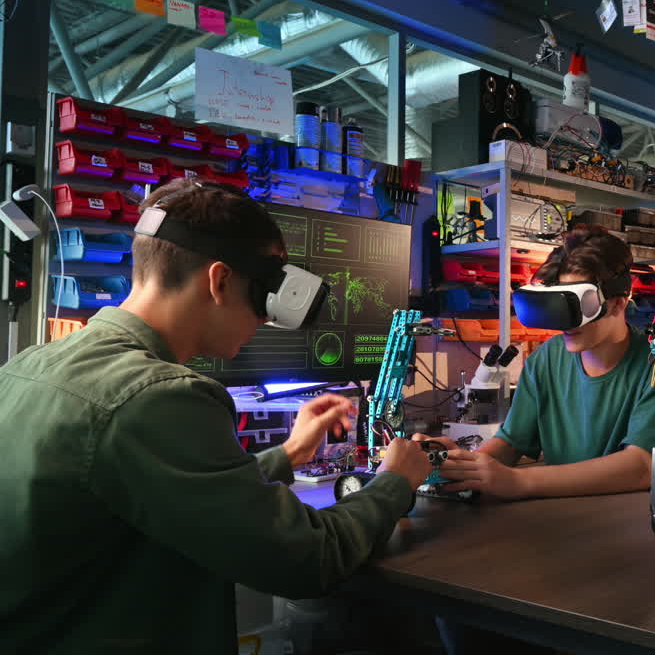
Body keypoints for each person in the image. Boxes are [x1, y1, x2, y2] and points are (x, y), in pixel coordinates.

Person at [0, 180, 434, 654]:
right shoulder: (160, 397)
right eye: (264, 295)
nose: (266, 319)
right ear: (220, 281)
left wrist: (288, 453)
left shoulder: (29, 366)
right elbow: (309, 560)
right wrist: (396, 481)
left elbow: (158, 494)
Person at [419, 224, 655, 498]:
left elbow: (642, 465)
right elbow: (511, 444)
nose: (565, 323)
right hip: (560, 522)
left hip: (630, 525)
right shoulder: (545, 361)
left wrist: (519, 482)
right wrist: (459, 464)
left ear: (618, 303)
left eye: (578, 307)